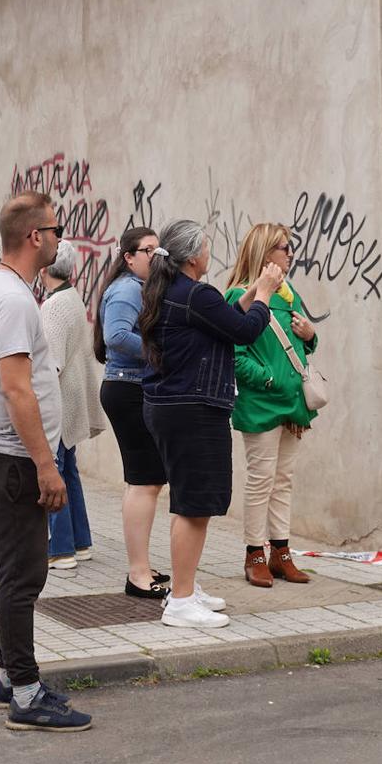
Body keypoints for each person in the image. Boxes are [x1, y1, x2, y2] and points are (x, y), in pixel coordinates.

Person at [0, 191, 92, 732]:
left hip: (0, 455)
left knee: (14, 573)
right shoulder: (14, 300)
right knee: (24, 578)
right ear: (35, 237)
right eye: (56, 229)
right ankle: (24, 692)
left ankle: (10, 676)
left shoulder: (1, 289)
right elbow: (19, 391)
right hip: (13, 459)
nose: (61, 238)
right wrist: (46, 464)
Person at [138, 219, 280, 629]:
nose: (209, 254)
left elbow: (223, 320)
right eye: (206, 247)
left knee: (188, 502)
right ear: (192, 257)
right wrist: (266, 295)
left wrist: (252, 292)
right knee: (194, 505)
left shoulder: (175, 292)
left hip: (175, 407)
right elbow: (245, 330)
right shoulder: (195, 293)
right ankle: (181, 601)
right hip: (192, 409)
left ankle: (186, 586)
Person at [224, 224, 318, 587]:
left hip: (292, 405)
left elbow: (298, 345)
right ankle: (254, 554)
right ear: (265, 253)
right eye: (283, 247)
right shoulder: (240, 295)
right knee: (261, 482)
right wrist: (269, 380)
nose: (290, 253)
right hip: (261, 405)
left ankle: (281, 553)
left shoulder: (289, 293)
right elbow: (234, 353)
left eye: (290, 247)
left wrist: (311, 336)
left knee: (284, 482)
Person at [94, 226, 171, 599]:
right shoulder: (126, 289)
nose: (155, 257)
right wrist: (160, 354)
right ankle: (138, 574)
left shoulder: (134, 287)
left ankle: (141, 564)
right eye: (148, 251)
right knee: (145, 482)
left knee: (144, 482)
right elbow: (116, 336)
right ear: (129, 257)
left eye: (159, 251)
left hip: (128, 388)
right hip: (128, 389)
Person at [39, 240, 106, 571]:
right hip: (75, 397)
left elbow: (50, 363)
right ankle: (80, 543)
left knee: (57, 473)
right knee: (70, 471)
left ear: (43, 269)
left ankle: (62, 549)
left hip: (60, 402)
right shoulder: (73, 298)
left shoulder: (52, 306)